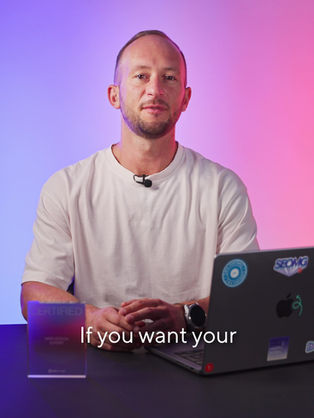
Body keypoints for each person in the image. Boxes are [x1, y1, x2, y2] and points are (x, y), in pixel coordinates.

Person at [21, 30, 259, 351]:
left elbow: (247, 290)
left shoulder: (222, 187)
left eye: (169, 78)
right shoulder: (67, 187)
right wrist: (89, 320)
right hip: (99, 368)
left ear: (185, 98)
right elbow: (34, 294)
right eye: (141, 76)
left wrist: (188, 315)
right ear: (114, 95)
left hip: (194, 361)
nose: (155, 90)